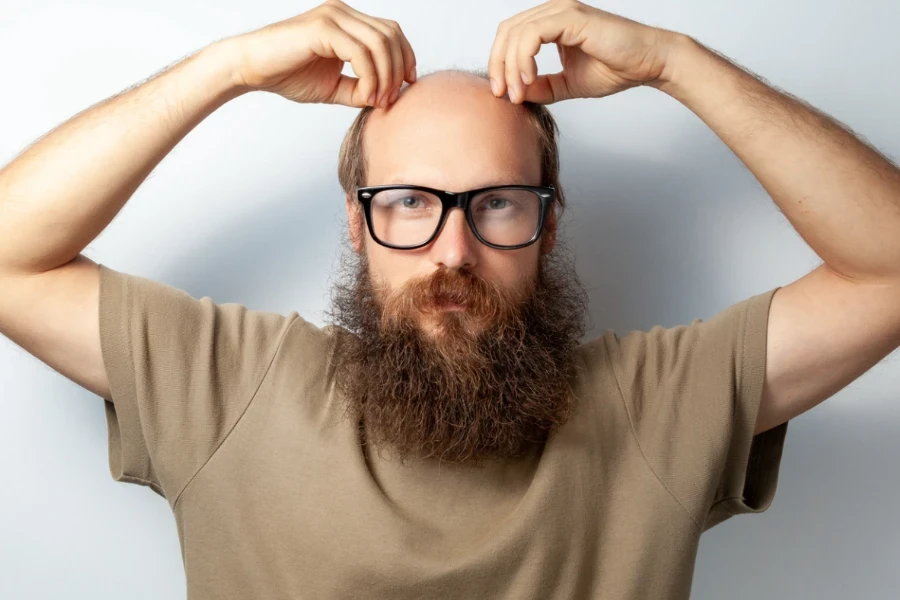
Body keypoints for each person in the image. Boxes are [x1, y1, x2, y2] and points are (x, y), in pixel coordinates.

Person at [1, 0, 898, 598]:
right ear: (357, 224)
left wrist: (675, 61)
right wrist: (225, 68)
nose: (452, 252)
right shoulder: (231, 387)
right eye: (408, 205)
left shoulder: (656, 404)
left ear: (548, 226)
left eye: (498, 203)